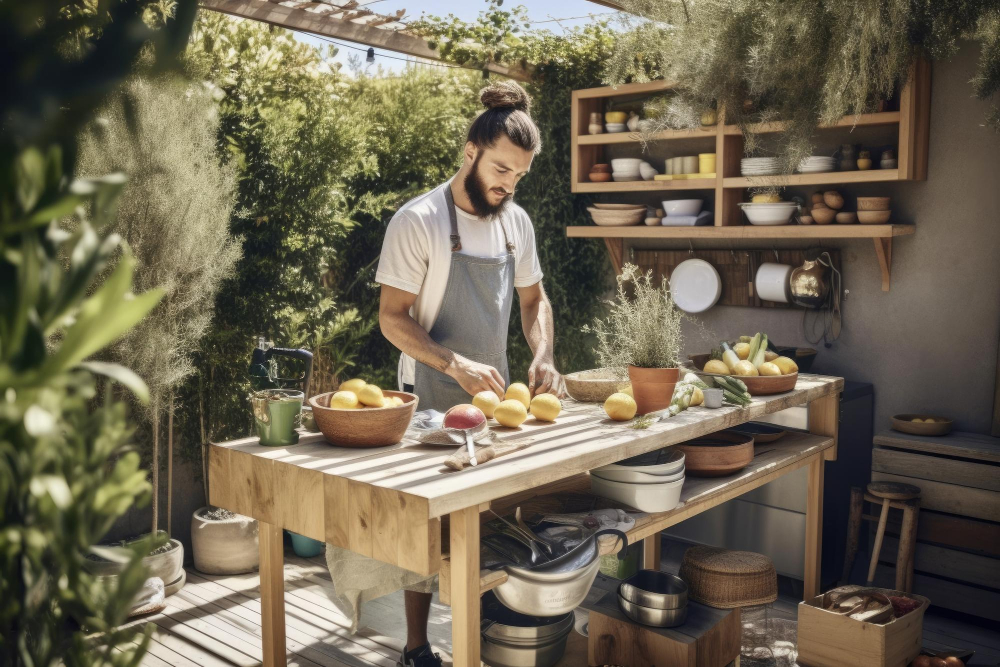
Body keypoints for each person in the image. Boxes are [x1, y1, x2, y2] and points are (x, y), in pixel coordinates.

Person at [322, 80, 561, 667]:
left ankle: (484, 624)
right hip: (428, 392)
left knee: (492, 518)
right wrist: (453, 363)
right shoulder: (419, 220)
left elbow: (535, 301)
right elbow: (392, 319)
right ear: (470, 152)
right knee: (420, 529)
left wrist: (544, 353)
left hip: (499, 396)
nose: (509, 182)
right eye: (502, 168)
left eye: (520, 174)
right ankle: (416, 644)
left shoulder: (517, 225)